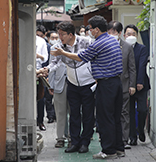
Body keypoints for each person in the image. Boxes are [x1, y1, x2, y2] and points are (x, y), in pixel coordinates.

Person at [50, 15, 124, 159]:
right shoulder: (112, 40)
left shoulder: (97, 43)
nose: (89, 31)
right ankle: (118, 148)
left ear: (96, 30)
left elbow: (80, 57)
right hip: (115, 82)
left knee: (104, 118)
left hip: (104, 83)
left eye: (90, 28)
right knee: (115, 117)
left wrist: (62, 52)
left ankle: (109, 151)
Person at [37, 21, 96, 154]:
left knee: (87, 115)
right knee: (74, 114)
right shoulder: (59, 46)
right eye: (58, 34)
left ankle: (85, 142)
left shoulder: (86, 42)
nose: (60, 37)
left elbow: (89, 58)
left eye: (62, 34)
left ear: (71, 34)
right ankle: (74, 142)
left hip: (88, 83)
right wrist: (46, 69)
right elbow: (55, 63)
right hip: (72, 83)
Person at [107, 21, 136, 149]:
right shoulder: (105, 45)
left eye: (113, 32)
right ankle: (111, 139)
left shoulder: (127, 47)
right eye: (109, 32)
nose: (111, 34)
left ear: (119, 33)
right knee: (110, 112)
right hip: (109, 85)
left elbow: (132, 68)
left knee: (124, 113)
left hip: (124, 85)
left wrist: (132, 85)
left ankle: (124, 140)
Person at [124, 24, 150, 145]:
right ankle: (132, 137)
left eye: (133, 34)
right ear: (124, 35)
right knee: (129, 112)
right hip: (127, 85)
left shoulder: (142, 48)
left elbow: (141, 66)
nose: (131, 36)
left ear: (137, 35)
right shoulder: (121, 48)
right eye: (128, 34)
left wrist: (139, 82)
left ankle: (141, 129)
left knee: (142, 110)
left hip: (141, 85)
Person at [48, 43, 70, 148]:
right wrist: (50, 85)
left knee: (74, 112)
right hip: (59, 83)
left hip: (74, 83)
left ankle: (72, 137)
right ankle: (60, 138)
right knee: (60, 113)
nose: (61, 36)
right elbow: (51, 66)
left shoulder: (76, 46)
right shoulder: (54, 48)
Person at [36, 26, 49, 131]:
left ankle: (40, 121)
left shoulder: (41, 42)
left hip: (39, 72)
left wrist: (38, 56)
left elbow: (45, 57)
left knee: (40, 97)